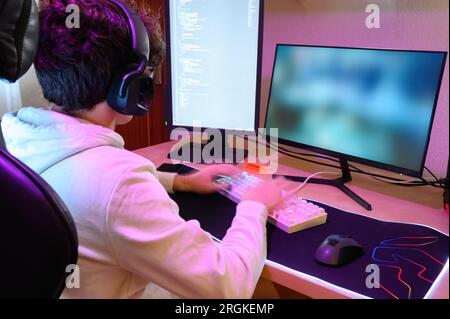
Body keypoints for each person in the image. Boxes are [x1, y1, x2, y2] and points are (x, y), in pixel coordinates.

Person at [1, 0, 288, 298]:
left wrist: (182, 181)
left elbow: (88, 182)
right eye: (147, 74)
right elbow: (229, 287)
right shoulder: (120, 182)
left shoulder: (16, 139)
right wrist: (254, 205)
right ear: (128, 86)